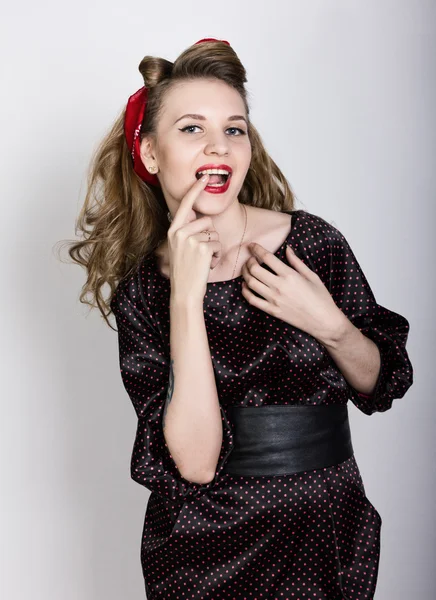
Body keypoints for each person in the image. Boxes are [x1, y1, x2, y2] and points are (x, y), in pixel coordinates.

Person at [68, 37, 414, 599]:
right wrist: (185, 295)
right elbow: (198, 463)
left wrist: (329, 323)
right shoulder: (143, 291)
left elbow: (381, 381)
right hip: (205, 549)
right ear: (151, 153)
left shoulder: (312, 243)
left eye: (234, 129)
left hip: (330, 532)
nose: (218, 148)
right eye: (191, 129)